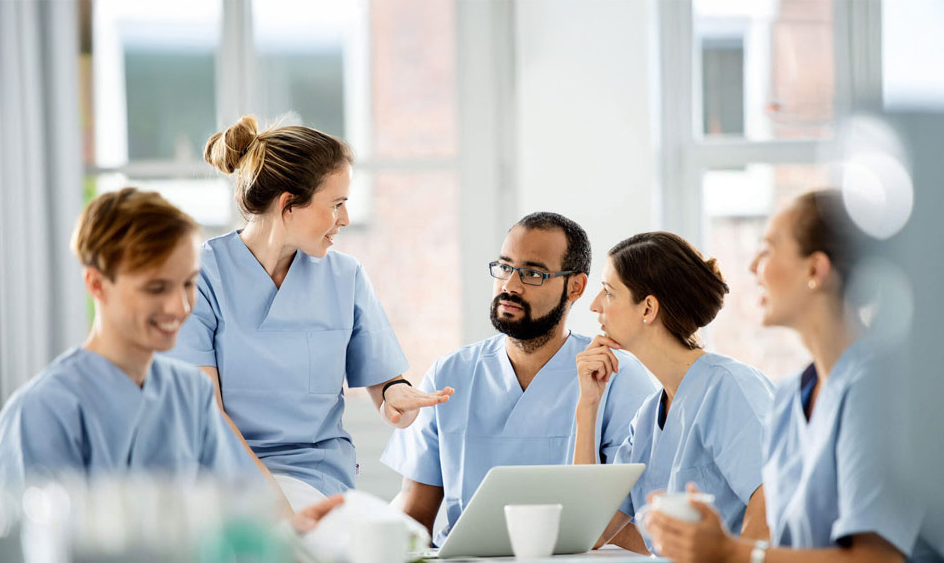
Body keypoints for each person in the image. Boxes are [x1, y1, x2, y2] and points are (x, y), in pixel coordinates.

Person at [645, 190, 944, 563]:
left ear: (815, 270)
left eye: (769, 249)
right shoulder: (790, 396)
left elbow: (876, 559)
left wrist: (730, 552)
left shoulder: (880, 388)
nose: (754, 265)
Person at [168, 116, 453, 512]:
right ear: (288, 204)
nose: (345, 220)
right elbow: (206, 415)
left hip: (321, 481)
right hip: (230, 482)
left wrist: (396, 397)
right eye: (336, 204)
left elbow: (384, 381)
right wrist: (274, 504)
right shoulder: (199, 278)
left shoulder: (345, 276)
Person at [381, 212, 658, 545]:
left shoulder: (616, 376)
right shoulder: (450, 373)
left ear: (576, 287)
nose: (510, 286)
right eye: (505, 267)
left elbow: (636, 526)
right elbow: (414, 515)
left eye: (532, 273)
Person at [0, 188, 258, 492]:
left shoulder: (192, 394)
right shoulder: (45, 409)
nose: (181, 307)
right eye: (156, 288)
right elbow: (20, 534)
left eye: (188, 283)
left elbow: (237, 509)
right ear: (96, 284)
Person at [575, 231, 774, 554]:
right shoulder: (648, 417)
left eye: (609, 293)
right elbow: (591, 529)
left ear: (648, 308)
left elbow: (772, 502)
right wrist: (588, 406)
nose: (595, 305)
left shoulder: (730, 388)